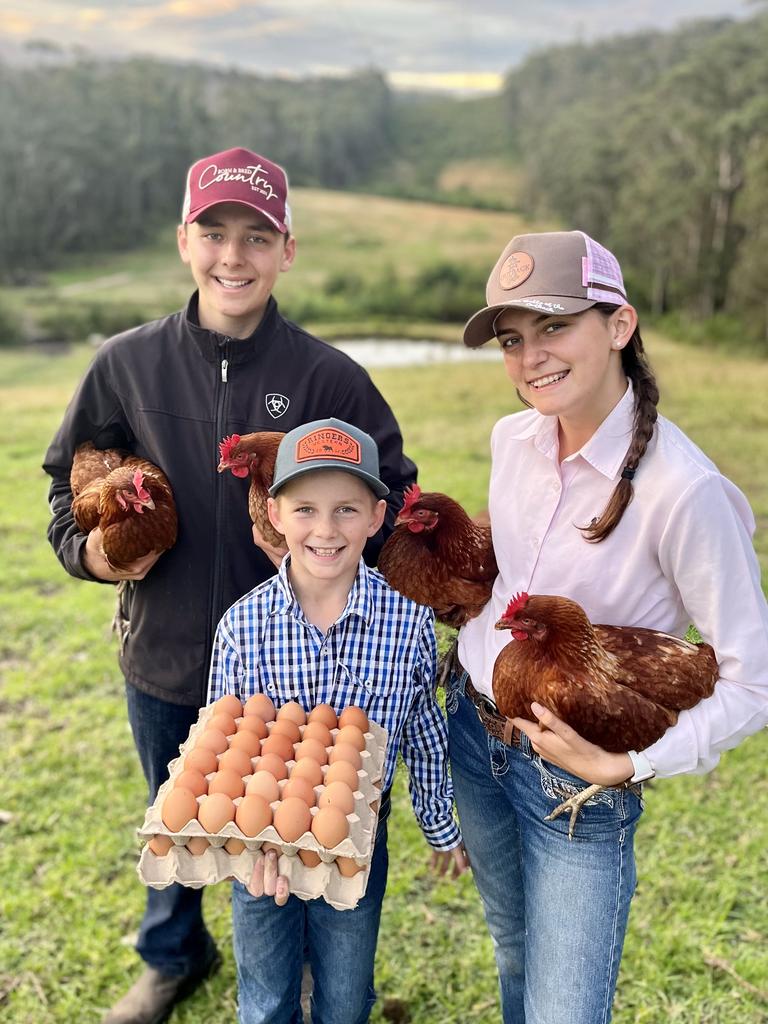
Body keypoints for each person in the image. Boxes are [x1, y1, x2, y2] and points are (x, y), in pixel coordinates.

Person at [42, 147, 417, 1024]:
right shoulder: (125, 364)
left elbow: (391, 494)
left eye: (256, 236)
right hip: (168, 651)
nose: (233, 256)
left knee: (288, 828)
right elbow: (68, 487)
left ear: (288, 249)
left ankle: (319, 966)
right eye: (214, 232)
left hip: (298, 674)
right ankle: (173, 956)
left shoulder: (330, 378)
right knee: (176, 807)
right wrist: (94, 558)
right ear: (185, 240)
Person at [448, 229, 768, 1024]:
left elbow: (753, 680)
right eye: (513, 340)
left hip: (574, 786)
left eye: (555, 326)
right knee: (513, 946)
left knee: (565, 1009)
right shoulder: (510, 440)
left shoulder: (682, 492)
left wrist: (633, 766)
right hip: (475, 733)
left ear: (620, 325)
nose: (531, 358)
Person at [207, 417, 467, 1024]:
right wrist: (245, 840)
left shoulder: (407, 621)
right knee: (267, 998)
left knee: (345, 999)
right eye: (305, 510)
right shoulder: (242, 629)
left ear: (378, 517)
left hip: (357, 841)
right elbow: (224, 756)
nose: (325, 530)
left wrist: (439, 824)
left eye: (347, 510)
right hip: (262, 849)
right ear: (274, 514)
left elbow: (422, 731)